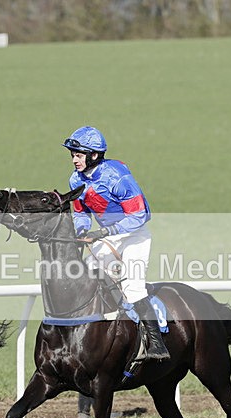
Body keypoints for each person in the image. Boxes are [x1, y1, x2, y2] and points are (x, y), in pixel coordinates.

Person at [63, 126, 169, 360]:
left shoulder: (117, 176)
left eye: (78, 155)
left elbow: (140, 215)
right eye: (72, 155)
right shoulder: (75, 180)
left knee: (132, 288)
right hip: (106, 236)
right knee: (86, 277)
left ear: (93, 155)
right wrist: (81, 229)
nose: (74, 160)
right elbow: (81, 212)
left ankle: (157, 344)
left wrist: (105, 231)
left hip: (134, 236)